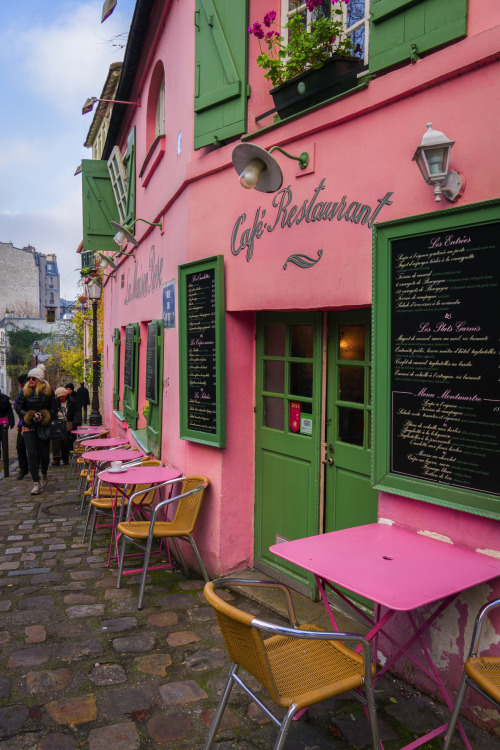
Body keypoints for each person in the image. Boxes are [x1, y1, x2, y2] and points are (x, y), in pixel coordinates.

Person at [15, 364, 56, 495]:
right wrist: (30, 415)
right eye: (29, 378)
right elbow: (18, 407)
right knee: (31, 454)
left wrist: (44, 416)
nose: (30, 381)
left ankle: (44, 473)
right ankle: (36, 483)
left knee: (44, 455)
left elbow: (54, 409)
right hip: (29, 426)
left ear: (39, 379)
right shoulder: (24, 391)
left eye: (33, 378)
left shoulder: (48, 391)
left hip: (43, 426)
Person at [14, 374, 29, 479]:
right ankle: (23, 468)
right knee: (20, 446)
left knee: (30, 448)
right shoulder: (21, 393)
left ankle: (31, 468)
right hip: (23, 423)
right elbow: (18, 407)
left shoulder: (29, 393)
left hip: (30, 423)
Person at [52, 387, 71, 466]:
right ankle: (56, 459)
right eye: (59, 397)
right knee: (56, 441)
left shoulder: (70, 402)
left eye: (62, 396)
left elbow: (76, 413)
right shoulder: (55, 403)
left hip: (67, 423)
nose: (61, 398)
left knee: (65, 442)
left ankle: (65, 458)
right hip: (57, 423)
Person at [0, 388, 15, 469]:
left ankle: (5, 460)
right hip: (3, 421)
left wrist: (11, 421)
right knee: (4, 441)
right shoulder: (5, 399)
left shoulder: (5, 399)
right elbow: (9, 411)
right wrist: (11, 422)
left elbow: (9, 411)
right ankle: (5, 460)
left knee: (4, 441)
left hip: (3, 422)